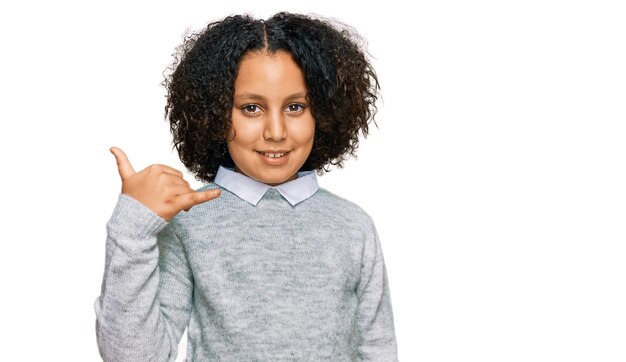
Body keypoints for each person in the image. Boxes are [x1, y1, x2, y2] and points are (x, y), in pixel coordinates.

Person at [94, 11, 398, 361]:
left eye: (295, 107)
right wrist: (132, 229)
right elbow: (132, 356)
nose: (276, 131)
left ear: (325, 112)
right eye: (251, 108)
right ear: (215, 112)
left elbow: (378, 351)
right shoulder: (189, 223)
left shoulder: (353, 226)